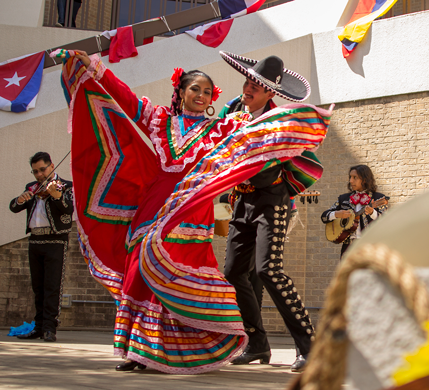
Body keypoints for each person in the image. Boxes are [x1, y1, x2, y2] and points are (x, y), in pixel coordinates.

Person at [51, 48, 330, 374]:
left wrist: (290, 127)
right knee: (158, 271)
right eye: (195, 89)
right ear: (180, 92)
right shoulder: (175, 118)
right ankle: (148, 350)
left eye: (207, 91)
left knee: (239, 272)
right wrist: (95, 69)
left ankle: (303, 346)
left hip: (225, 207)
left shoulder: (235, 126)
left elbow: (270, 145)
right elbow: (125, 99)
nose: (201, 95)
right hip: (169, 205)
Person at [219, 51, 317, 372]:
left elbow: (290, 166)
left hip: (272, 201)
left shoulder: (280, 122)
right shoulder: (233, 110)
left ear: (271, 93)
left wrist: (249, 159)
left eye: (255, 87)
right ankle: (257, 344)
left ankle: (309, 346)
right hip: (243, 202)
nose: (247, 90)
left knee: (268, 270)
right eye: (247, 82)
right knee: (233, 271)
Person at [9, 152, 74, 343]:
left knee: (52, 286)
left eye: (42, 170)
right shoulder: (32, 188)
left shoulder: (65, 186)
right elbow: (13, 207)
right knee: (38, 287)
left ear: (52, 166)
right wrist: (20, 199)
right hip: (35, 240)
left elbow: (69, 209)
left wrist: (56, 196)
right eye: (35, 171)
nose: (39, 175)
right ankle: (38, 327)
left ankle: (49, 329)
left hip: (55, 240)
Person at [321, 165, 388, 257]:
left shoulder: (378, 198)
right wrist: (336, 214)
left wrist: (373, 213)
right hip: (348, 249)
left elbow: (387, 222)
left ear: (365, 179)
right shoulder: (344, 199)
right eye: (350, 177)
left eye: (355, 177)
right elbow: (324, 216)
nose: (351, 181)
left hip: (371, 247)